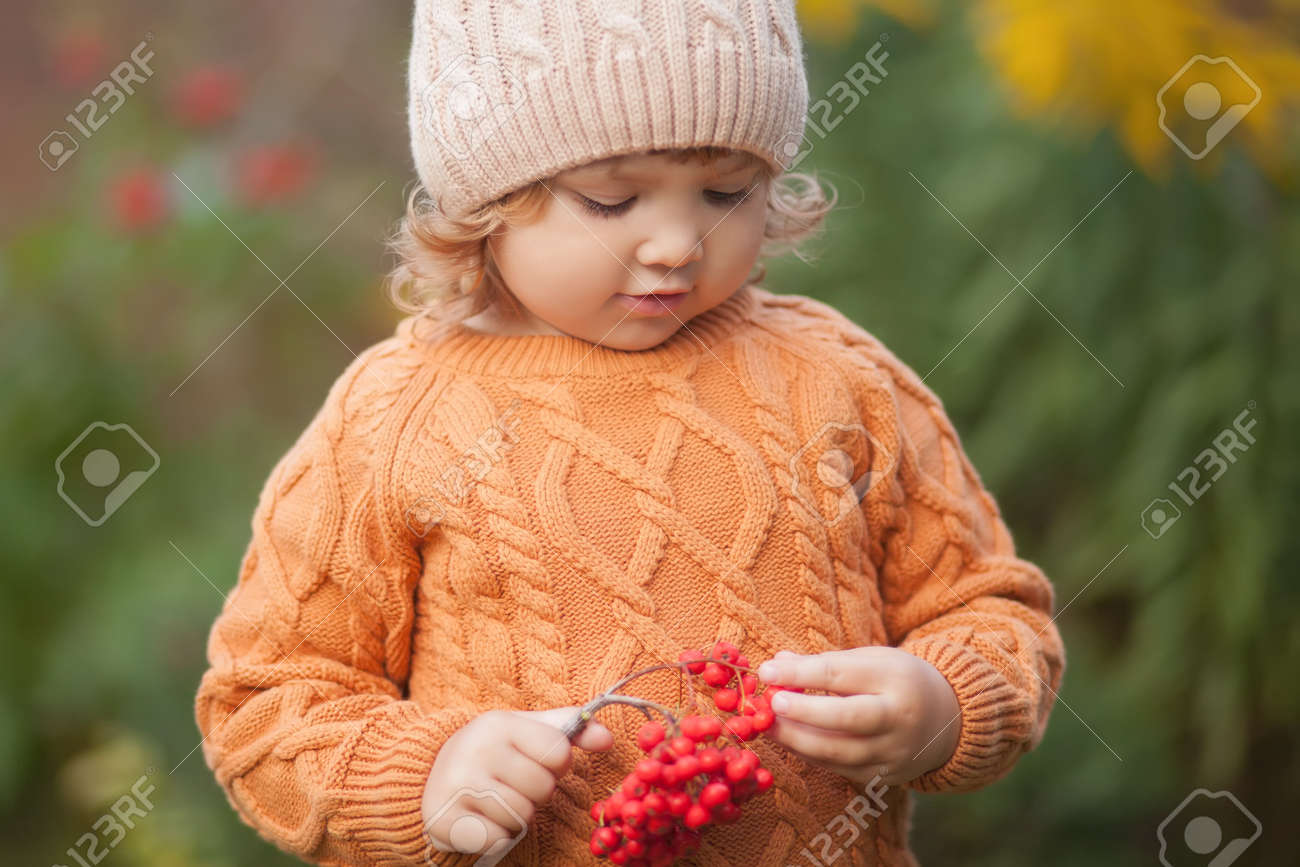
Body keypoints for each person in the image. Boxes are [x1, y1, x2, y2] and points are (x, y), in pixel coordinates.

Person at [194, 0, 1065, 863]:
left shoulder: (835, 376)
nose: (677, 243)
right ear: (487, 200)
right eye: (612, 200)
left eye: (727, 191)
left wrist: (943, 704)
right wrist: (426, 775)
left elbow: (988, 606)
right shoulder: (394, 416)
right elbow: (268, 702)